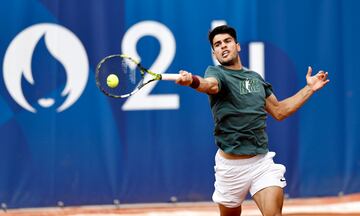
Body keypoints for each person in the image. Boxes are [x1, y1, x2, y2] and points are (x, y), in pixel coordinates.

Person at [175, 25, 330, 216]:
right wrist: (193, 81)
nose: (223, 46)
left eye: (227, 41)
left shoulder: (256, 79)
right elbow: (210, 86)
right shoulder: (216, 74)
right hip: (230, 169)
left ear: (237, 46)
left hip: (261, 163)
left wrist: (310, 89)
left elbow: (280, 111)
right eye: (217, 44)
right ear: (214, 53)